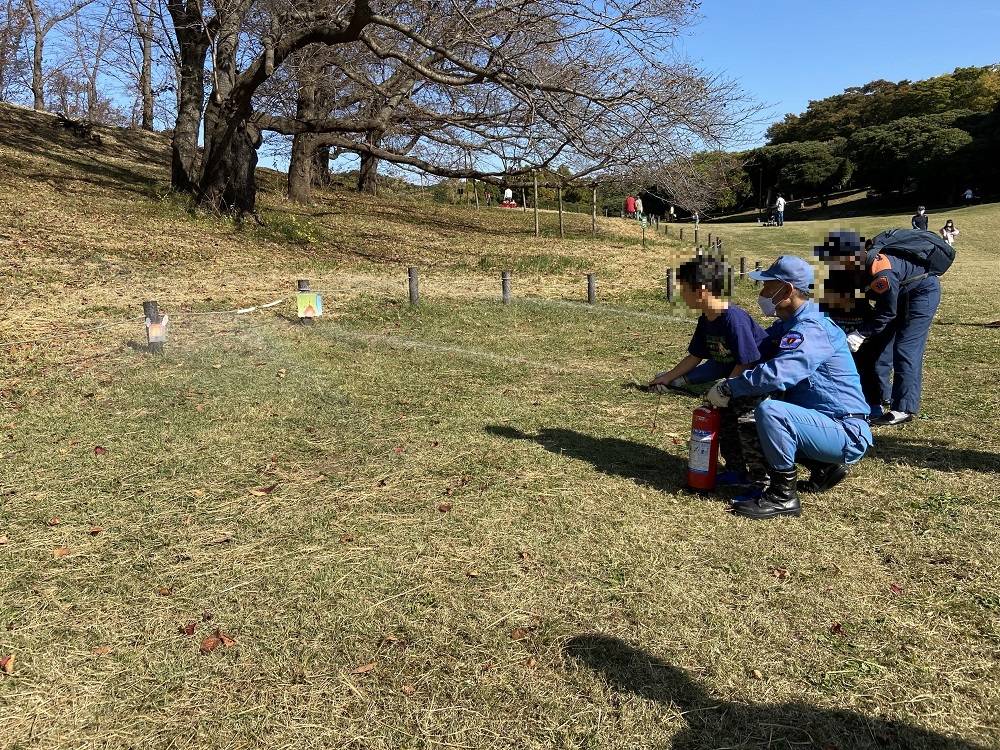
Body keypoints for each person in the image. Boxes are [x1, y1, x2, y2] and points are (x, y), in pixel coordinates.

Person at [705, 255, 874, 520]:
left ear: (787, 290)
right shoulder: (788, 325)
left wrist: (729, 388)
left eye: (767, 286)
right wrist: (683, 378)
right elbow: (750, 354)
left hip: (844, 430)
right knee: (755, 402)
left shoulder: (812, 329)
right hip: (820, 424)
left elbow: (778, 374)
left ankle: (783, 496)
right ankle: (822, 468)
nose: (761, 293)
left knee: (771, 411)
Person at [648, 256, 769, 489]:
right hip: (733, 383)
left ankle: (758, 479)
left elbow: (748, 361)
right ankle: (735, 471)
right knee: (725, 426)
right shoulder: (706, 319)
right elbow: (695, 356)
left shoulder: (734, 319)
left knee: (745, 427)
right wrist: (669, 377)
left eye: (683, 288)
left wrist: (726, 387)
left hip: (754, 384)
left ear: (702, 290)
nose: (681, 294)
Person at [820, 232, 942, 426]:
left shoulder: (881, 272)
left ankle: (903, 408)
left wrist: (860, 333)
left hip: (921, 294)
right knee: (881, 346)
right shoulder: (858, 266)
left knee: (906, 348)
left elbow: (887, 313)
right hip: (898, 293)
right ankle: (881, 395)